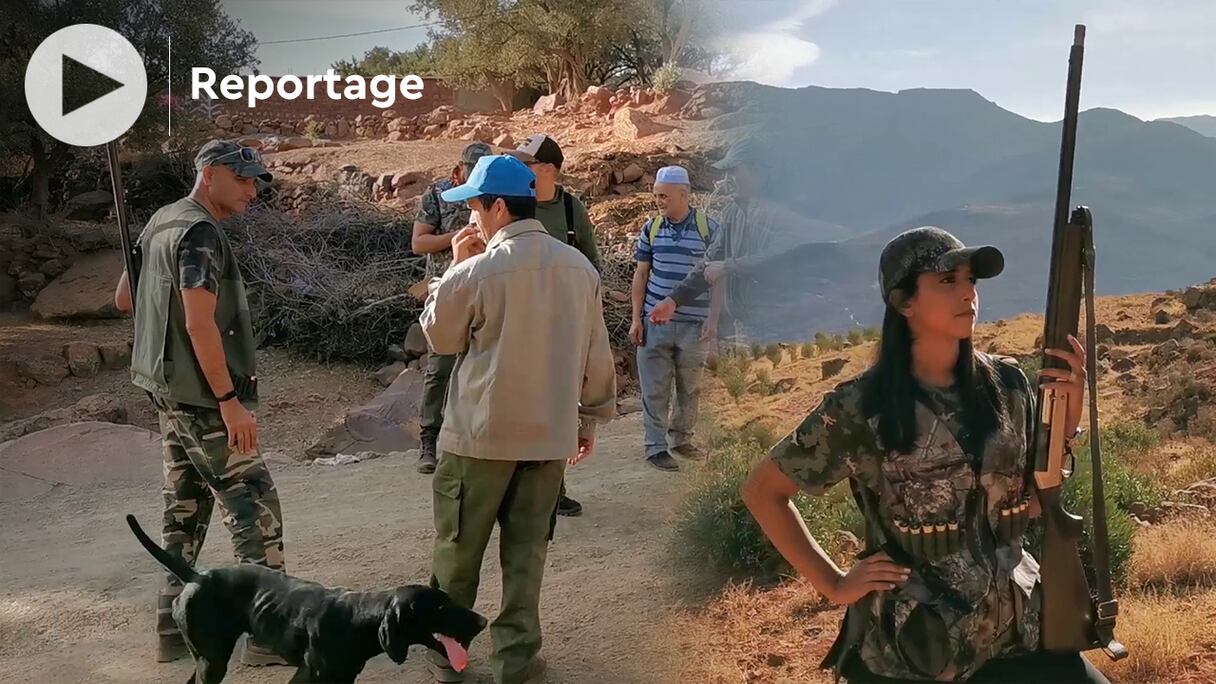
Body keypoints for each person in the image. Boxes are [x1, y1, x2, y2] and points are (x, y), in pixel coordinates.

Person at [739, 226, 1109, 683]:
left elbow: (1033, 499)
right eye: (947, 282)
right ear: (904, 302)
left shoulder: (1009, 387)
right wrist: (835, 583)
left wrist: (1067, 415)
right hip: (916, 652)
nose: (968, 294)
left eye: (970, 280)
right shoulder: (861, 407)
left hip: (1019, 633)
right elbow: (763, 491)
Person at [420, 154, 617, 683]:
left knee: (458, 555)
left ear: (499, 206)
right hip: (547, 440)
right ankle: (517, 660)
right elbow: (596, 353)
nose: (472, 220)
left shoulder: (479, 269)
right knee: (527, 556)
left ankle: (449, 656)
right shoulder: (580, 268)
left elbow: (440, 339)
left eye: (477, 208)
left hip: (479, 441)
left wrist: (454, 269)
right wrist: (588, 420)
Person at [113, 140, 287, 668]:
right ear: (210, 175)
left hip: (167, 391)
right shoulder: (200, 232)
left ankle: (172, 632)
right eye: (244, 179)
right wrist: (230, 401)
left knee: (183, 514)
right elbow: (198, 322)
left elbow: (124, 298)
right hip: (205, 398)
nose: (253, 189)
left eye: (256, 180)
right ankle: (268, 637)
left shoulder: (160, 221)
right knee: (255, 508)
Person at [650, 135, 850, 342]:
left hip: (790, 328)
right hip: (750, 328)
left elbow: (784, 253)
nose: (727, 179)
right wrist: (674, 300)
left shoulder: (785, 210)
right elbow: (710, 261)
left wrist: (729, 266)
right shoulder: (734, 212)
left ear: (757, 171)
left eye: (733, 171)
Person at [508, 133, 600, 516]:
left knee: (558, 409)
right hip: (515, 324)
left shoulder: (570, 210)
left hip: (559, 328)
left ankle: (552, 489)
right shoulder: (513, 204)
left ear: (547, 170)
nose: (517, 169)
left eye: (524, 164)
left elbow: (591, 266)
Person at [629, 165, 722, 472]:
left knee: (690, 386)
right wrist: (636, 319)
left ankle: (682, 439)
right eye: (656, 195)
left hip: (695, 325)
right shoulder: (651, 229)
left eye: (665, 196)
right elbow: (641, 274)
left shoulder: (710, 229)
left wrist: (714, 319)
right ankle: (655, 447)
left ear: (684, 195)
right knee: (654, 388)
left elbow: (719, 278)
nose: (659, 201)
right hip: (655, 323)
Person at [411, 141, 494, 474]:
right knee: (440, 368)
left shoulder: (493, 193)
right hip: (448, 291)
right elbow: (419, 242)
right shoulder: (439, 193)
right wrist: (457, 237)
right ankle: (428, 440)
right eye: (471, 171)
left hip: (486, 288)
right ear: (459, 170)